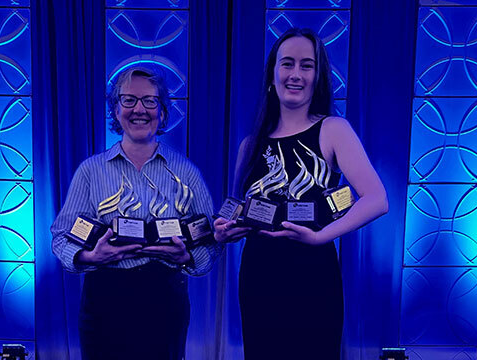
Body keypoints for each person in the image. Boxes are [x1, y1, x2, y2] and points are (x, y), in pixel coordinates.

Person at [214, 28, 389, 359]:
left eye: (306, 65)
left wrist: (321, 238)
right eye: (287, 64)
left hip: (313, 272)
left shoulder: (334, 129)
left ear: (318, 76)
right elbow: (238, 210)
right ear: (273, 73)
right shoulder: (249, 145)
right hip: (259, 275)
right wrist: (223, 232)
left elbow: (377, 199)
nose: (296, 74)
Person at [51, 66, 223, 360]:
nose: (139, 109)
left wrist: (187, 258)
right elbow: (60, 238)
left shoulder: (186, 172)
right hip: (103, 298)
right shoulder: (90, 171)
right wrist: (90, 257)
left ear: (163, 111)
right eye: (128, 100)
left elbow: (211, 243)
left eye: (149, 101)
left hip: (164, 299)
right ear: (115, 110)